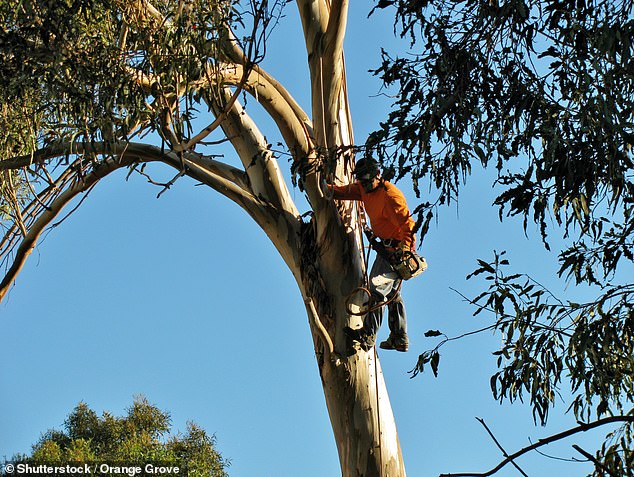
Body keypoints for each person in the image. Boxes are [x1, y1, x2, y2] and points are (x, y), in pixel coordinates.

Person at [329, 157, 416, 352]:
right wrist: (324, 188)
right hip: (384, 249)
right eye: (362, 181)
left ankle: (368, 335)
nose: (365, 185)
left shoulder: (391, 197)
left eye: (368, 181)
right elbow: (347, 191)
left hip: (396, 252)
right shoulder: (363, 188)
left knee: (377, 290)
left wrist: (405, 252)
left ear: (378, 175)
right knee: (392, 294)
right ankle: (399, 337)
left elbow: (408, 226)